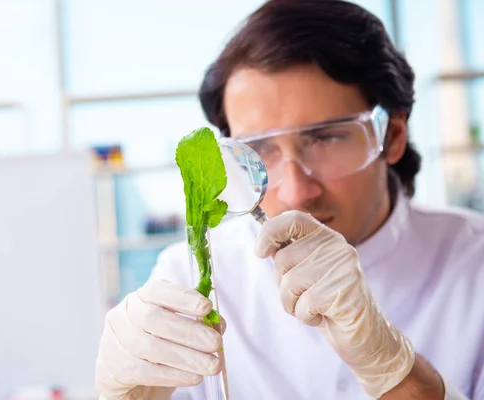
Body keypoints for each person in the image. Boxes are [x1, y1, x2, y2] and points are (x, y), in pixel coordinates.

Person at [94, 0, 484, 399]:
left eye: (327, 138)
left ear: (393, 135)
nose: (297, 192)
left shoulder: (475, 264)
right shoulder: (190, 277)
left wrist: (392, 368)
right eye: (259, 149)